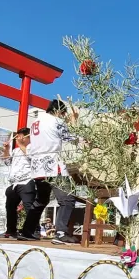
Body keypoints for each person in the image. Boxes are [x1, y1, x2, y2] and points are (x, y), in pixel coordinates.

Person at [28, 100, 79, 246]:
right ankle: (61, 233)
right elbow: (71, 137)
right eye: (63, 113)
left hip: (37, 167)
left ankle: (28, 230)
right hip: (52, 164)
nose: (63, 116)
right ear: (58, 111)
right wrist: (75, 122)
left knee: (40, 201)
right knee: (67, 199)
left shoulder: (35, 123)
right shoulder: (56, 121)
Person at [1, 127, 41, 240]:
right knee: (10, 207)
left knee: (29, 206)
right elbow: (6, 161)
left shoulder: (34, 147)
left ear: (26, 136)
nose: (17, 138)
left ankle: (33, 230)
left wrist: (20, 144)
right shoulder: (15, 151)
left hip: (27, 180)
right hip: (14, 183)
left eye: (19, 136)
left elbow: (31, 157)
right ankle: (11, 230)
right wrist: (6, 149)